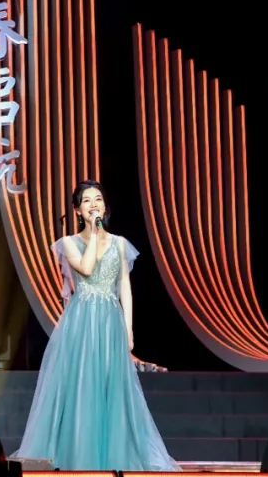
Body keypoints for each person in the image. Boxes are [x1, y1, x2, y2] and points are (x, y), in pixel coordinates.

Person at [11, 180, 180, 471]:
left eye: (98, 199)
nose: (93, 205)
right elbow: (87, 269)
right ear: (78, 210)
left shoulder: (120, 243)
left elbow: (124, 287)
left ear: (105, 205)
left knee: (112, 388)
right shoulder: (68, 243)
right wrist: (93, 232)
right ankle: (79, 456)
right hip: (81, 322)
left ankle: (114, 456)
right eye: (87, 201)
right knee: (82, 385)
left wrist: (128, 330)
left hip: (110, 321)